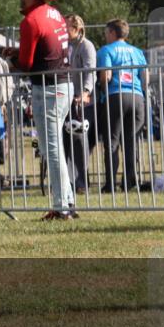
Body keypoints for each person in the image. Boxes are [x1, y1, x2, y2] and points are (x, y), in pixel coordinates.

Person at [6, 0, 73, 220]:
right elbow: (47, 49)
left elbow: (25, 63)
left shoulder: (30, 21)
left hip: (47, 89)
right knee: (55, 147)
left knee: (52, 149)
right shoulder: (55, 14)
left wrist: (10, 60)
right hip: (64, 85)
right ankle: (67, 202)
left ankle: (61, 207)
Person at [97, 19, 148, 194]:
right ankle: (129, 182)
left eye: (106, 33)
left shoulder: (106, 50)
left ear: (112, 33)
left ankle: (110, 184)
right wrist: (142, 93)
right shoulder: (138, 51)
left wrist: (103, 91)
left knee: (112, 142)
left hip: (115, 95)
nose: (105, 36)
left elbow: (107, 75)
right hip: (137, 96)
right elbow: (145, 76)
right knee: (131, 141)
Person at [63, 15, 97, 195]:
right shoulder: (65, 45)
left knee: (80, 141)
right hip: (66, 98)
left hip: (81, 99)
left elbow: (90, 70)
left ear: (76, 28)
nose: (63, 29)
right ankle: (67, 181)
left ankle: (81, 181)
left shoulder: (86, 46)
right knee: (66, 141)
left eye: (66, 26)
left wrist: (85, 91)